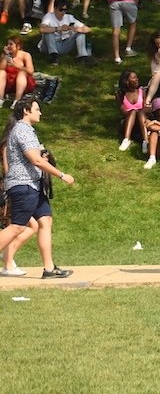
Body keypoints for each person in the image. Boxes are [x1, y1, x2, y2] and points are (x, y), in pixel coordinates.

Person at [0, 97, 74, 279]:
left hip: (33, 185)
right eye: (37, 109)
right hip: (23, 185)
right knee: (17, 227)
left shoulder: (27, 130)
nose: (40, 112)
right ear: (26, 111)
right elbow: (36, 160)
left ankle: (49, 269)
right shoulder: (22, 130)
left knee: (45, 221)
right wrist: (62, 175)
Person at [38, 0, 94, 65]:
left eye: (65, 10)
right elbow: (42, 29)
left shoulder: (69, 17)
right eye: (61, 10)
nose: (63, 12)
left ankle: (82, 56)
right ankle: (54, 57)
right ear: (55, 9)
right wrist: (58, 28)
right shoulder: (49, 16)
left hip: (64, 44)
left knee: (80, 33)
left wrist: (75, 29)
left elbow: (87, 29)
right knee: (48, 33)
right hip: (48, 46)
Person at [1, 37, 36, 104]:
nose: (8, 46)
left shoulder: (25, 55)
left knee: (22, 73)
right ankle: (1, 99)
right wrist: (6, 56)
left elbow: (31, 71)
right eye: (7, 44)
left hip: (22, 83)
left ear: (18, 46)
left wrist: (15, 65)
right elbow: (1, 69)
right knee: (1, 72)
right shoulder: (5, 55)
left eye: (11, 44)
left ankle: (17, 100)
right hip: (8, 82)